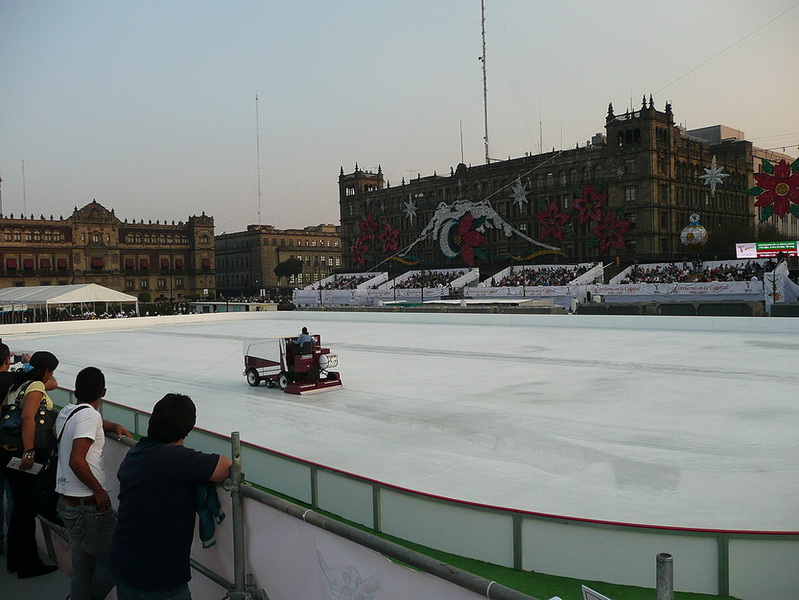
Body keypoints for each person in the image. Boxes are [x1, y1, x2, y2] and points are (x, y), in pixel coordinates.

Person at [109, 394, 232, 599]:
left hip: (125, 566)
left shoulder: (136, 452)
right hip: (158, 577)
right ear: (185, 431)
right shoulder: (173, 458)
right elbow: (226, 466)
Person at [56, 367, 131, 600]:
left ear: (76, 390)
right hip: (88, 507)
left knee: (83, 566)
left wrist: (110, 425)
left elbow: (86, 422)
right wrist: (99, 491)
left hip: (69, 504)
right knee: (119, 561)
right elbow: (77, 461)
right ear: (104, 392)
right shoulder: (89, 416)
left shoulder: (68, 412)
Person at [1, 350, 59, 578]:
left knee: (20, 510)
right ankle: (28, 564)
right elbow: (27, 417)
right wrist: (29, 451)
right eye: (51, 371)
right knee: (26, 509)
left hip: (7, 453)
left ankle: (16, 560)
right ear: (46, 371)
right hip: (23, 455)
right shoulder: (35, 386)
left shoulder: (17, 384)